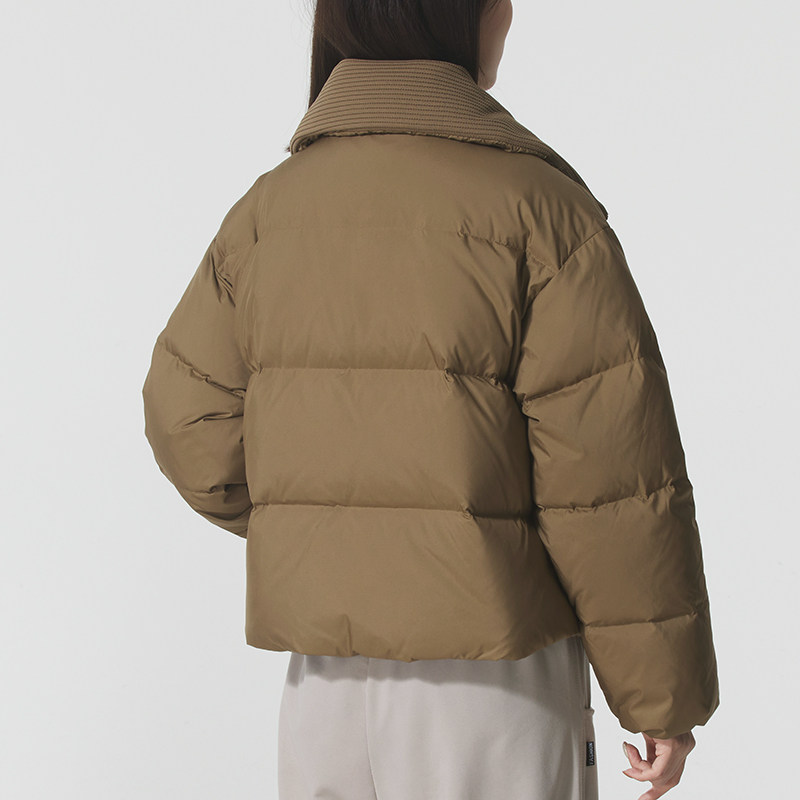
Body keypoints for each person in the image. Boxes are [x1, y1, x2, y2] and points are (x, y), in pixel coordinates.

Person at [141, 1, 720, 797]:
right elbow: (610, 478)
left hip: (323, 691)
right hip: (495, 682)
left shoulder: (268, 213)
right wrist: (661, 695)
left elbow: (187, 420)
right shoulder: (539, 211)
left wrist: (335, 522)